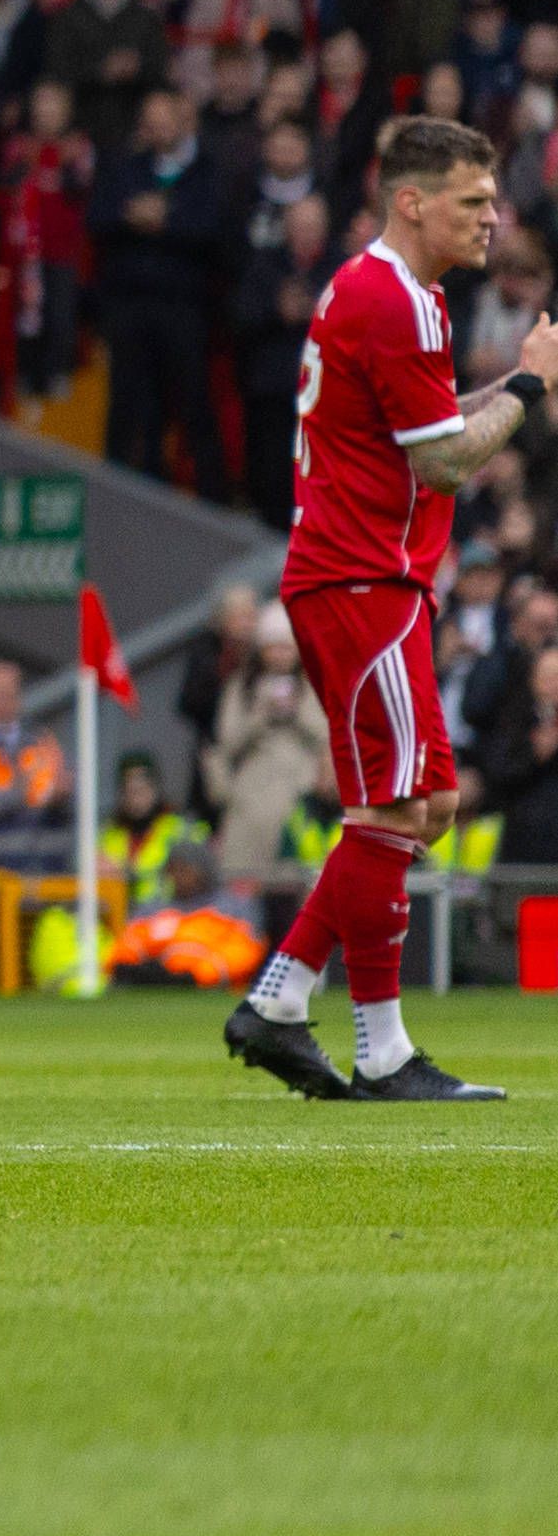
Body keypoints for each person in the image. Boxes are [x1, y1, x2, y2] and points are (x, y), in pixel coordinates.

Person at [223, 115, 531, 1105]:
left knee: (425, 804)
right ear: (411, 200)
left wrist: (511, 382)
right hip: (359, 579)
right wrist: (530, 383)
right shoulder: (390, 299)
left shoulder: (399, 295)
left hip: (372, 578)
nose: (490, 218)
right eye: (470, 201)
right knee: (390, 808)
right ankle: (380, 1049)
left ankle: (277, 1000)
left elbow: (425, 428)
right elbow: (440, 456)